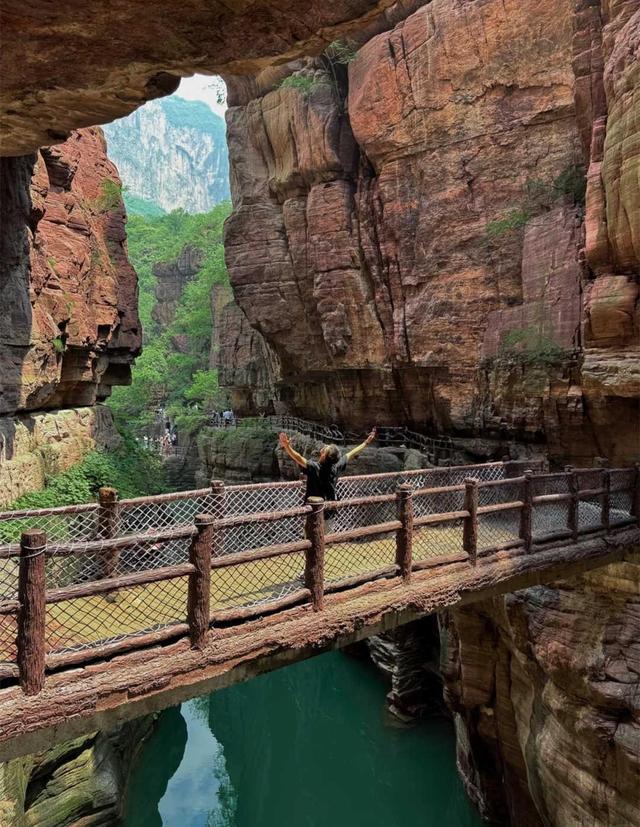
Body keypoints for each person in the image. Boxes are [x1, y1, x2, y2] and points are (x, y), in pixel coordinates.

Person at [278, 427, 377, 530]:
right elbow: (352, 453)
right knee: (327, 540)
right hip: (329, 511)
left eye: (326, 448)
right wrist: (366, 442)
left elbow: (298, 457)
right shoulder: (336, 466)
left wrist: (287, 446)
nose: (325, 446)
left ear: (323, 455)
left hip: (313, 511)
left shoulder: (314, 467)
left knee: (311, 539)